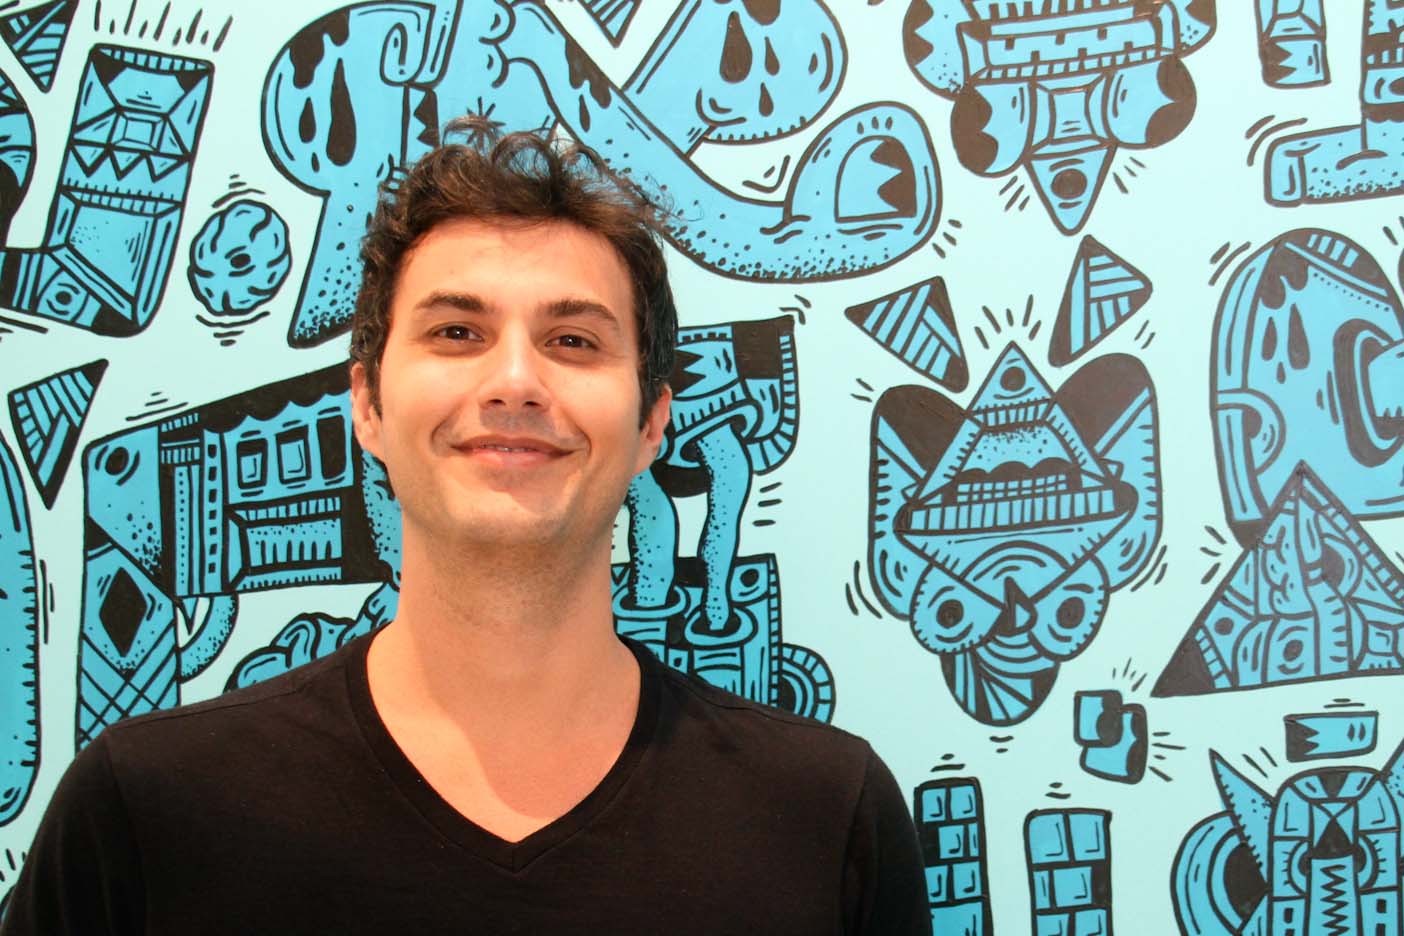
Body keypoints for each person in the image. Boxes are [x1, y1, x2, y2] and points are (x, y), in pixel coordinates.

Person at [0, 120, 931, 934]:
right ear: (367, 405)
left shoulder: (824, 820)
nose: (515, 381)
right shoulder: (147, 811)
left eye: (573, 341)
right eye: (456, 333)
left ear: (652, 424)